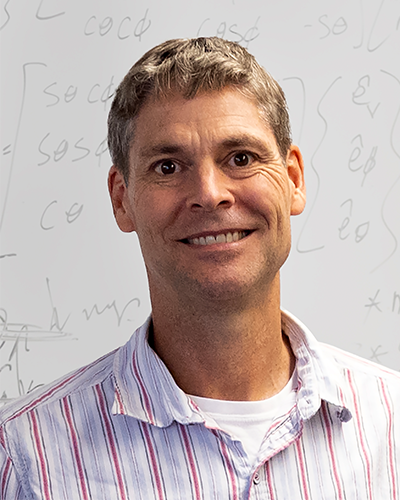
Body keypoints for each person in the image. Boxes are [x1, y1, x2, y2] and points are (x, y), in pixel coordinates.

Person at [1, 37, 399, 500]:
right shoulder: (23, 456)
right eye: (168, 167)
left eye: (241, 159)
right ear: (121, 199)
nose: (210, 193)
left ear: (293, 179)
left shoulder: (393, 425)